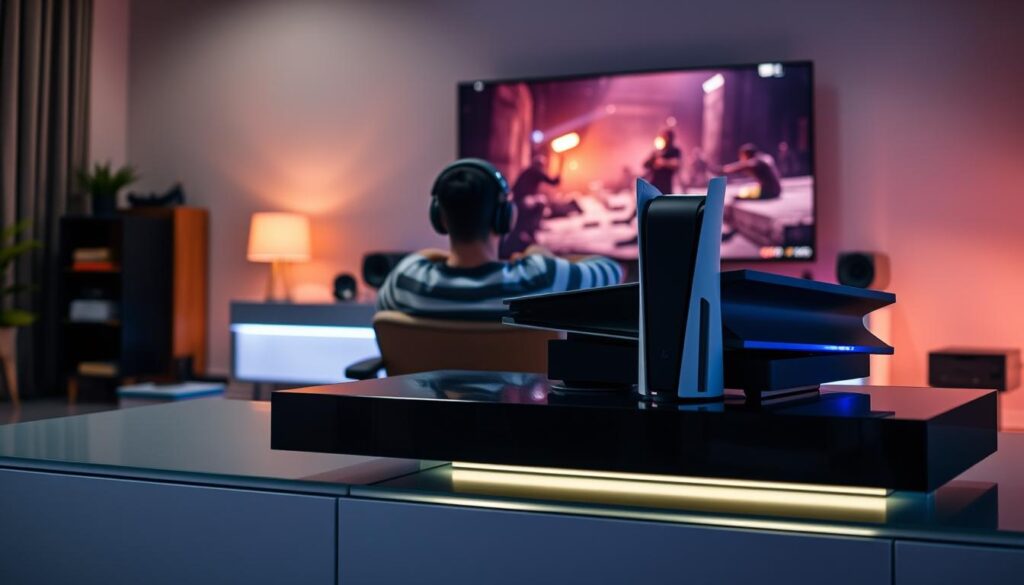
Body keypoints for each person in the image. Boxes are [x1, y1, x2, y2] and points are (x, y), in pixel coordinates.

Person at [377, 159, 623, 319]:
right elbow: (613, 271)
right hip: (514, 400)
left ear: (438, 218)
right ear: (506, 217)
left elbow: (383, 305)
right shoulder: (539, 276)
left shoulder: (406, 280)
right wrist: (542, 256)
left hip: (427, 399)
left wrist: (431, 255)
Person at [502, 154, 561, 256]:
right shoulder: (536, 171)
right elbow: (553, 182)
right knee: (540, 205)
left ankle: (527, 233)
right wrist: (560, 171)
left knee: (519, 224)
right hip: (524, 200)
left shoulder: (527, 171)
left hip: (518, 200)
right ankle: (531, 231)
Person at [642, 129, 681, 193]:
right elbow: (645, 165)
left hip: (666, 186)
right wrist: (653, 159)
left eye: (665, 136)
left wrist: (664, 162)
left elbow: (676, 163)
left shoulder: (674, 151)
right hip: (654, 186)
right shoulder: (656, 152)